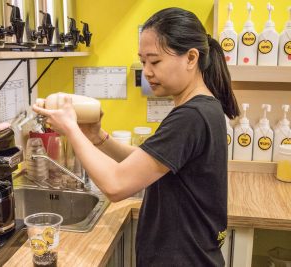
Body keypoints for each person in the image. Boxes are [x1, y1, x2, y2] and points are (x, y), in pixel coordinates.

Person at [32, 7, 240, 267]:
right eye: (143, 62)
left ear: (191, 58)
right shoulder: (203, 107)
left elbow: (116, 186)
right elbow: (149, 163)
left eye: (155, 61)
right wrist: (98, 137)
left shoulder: (191, 117)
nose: (147, 72)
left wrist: (72, 130)